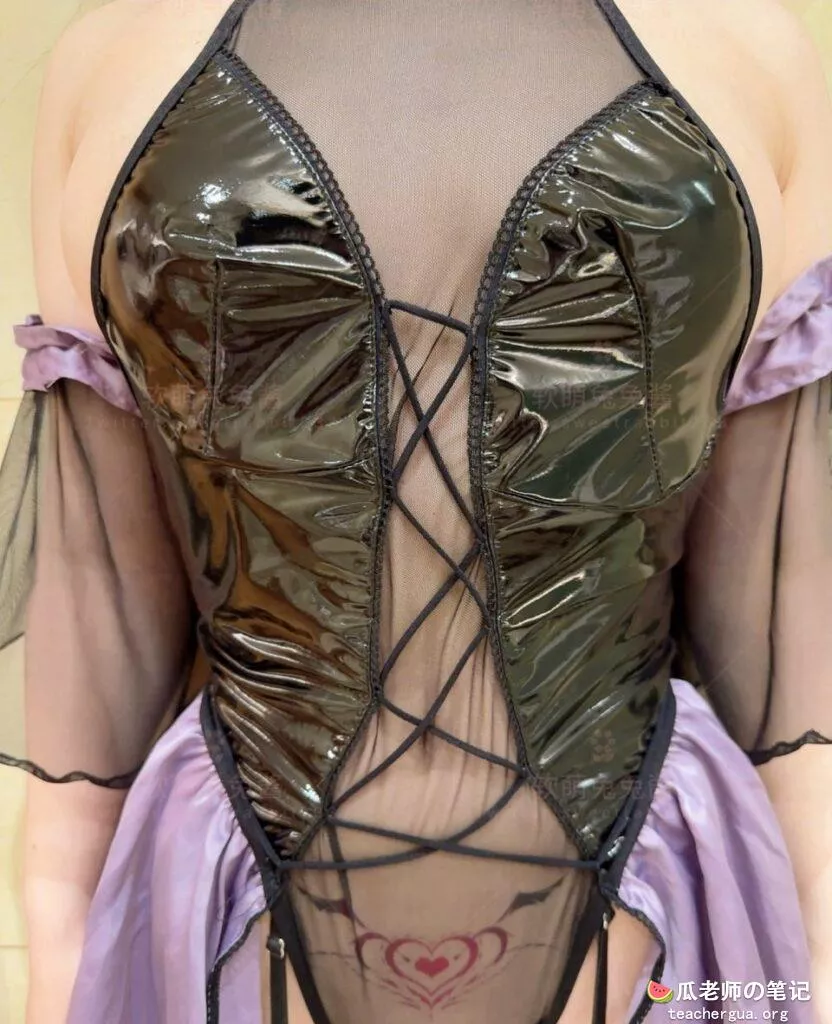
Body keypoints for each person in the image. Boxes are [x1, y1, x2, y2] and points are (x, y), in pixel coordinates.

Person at [1, 1, 831, 1022]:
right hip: (235, 908)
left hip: (650, 917)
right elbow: (97, 572)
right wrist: (59, 939)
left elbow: (782, 584)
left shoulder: (744, 47)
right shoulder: (117, 59)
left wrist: (817, 951)